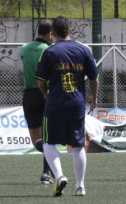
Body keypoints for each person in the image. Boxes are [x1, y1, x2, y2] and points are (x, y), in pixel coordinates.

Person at [36, 16, 99, 196]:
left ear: (53, 33)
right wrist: (94, 98)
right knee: (78, 146)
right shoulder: (83, 50)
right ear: (69, 30)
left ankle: (60, 176)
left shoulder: (49, 52)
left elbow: (40, 81)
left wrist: (47, 95)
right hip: (76, 103)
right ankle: (80, 186)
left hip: (55, 103)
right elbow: (94, 78)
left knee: (49, 143)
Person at [20, 21, 54, 184]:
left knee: (37, 141)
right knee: (48, 138)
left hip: (29, 96)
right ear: (49, 34)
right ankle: (49, 169)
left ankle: (48, 171)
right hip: (45, 94)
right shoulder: (48, 50)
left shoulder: (24, 49)